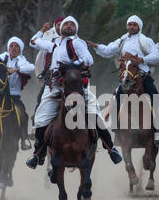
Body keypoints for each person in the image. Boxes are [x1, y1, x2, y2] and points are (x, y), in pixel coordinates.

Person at [26, 16, 123, 171]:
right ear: (60, 28)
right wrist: (40, 33)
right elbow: (33, 42)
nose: (69, 26)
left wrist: (71, 66)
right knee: (40, 119)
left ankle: (111, 149)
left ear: (76, 28)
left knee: (94, 115)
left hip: (77, 87)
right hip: (55, 88)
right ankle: (38, 153)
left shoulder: (78, 43)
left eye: (72, 24)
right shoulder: (54, 44)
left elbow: (89, 60)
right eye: (66, 24)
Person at [86, 15, 159, 123]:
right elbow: (108, 51)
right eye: (130, 24)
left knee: (156, 98)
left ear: (139, 27)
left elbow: (157, 56)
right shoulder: (122, 40)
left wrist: (142, 60)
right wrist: (95, 46)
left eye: (134, 25)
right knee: (116, 99)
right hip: (127, 76)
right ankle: (115, 128)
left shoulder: (147, 41)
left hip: (143, 76)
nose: (131, 27)